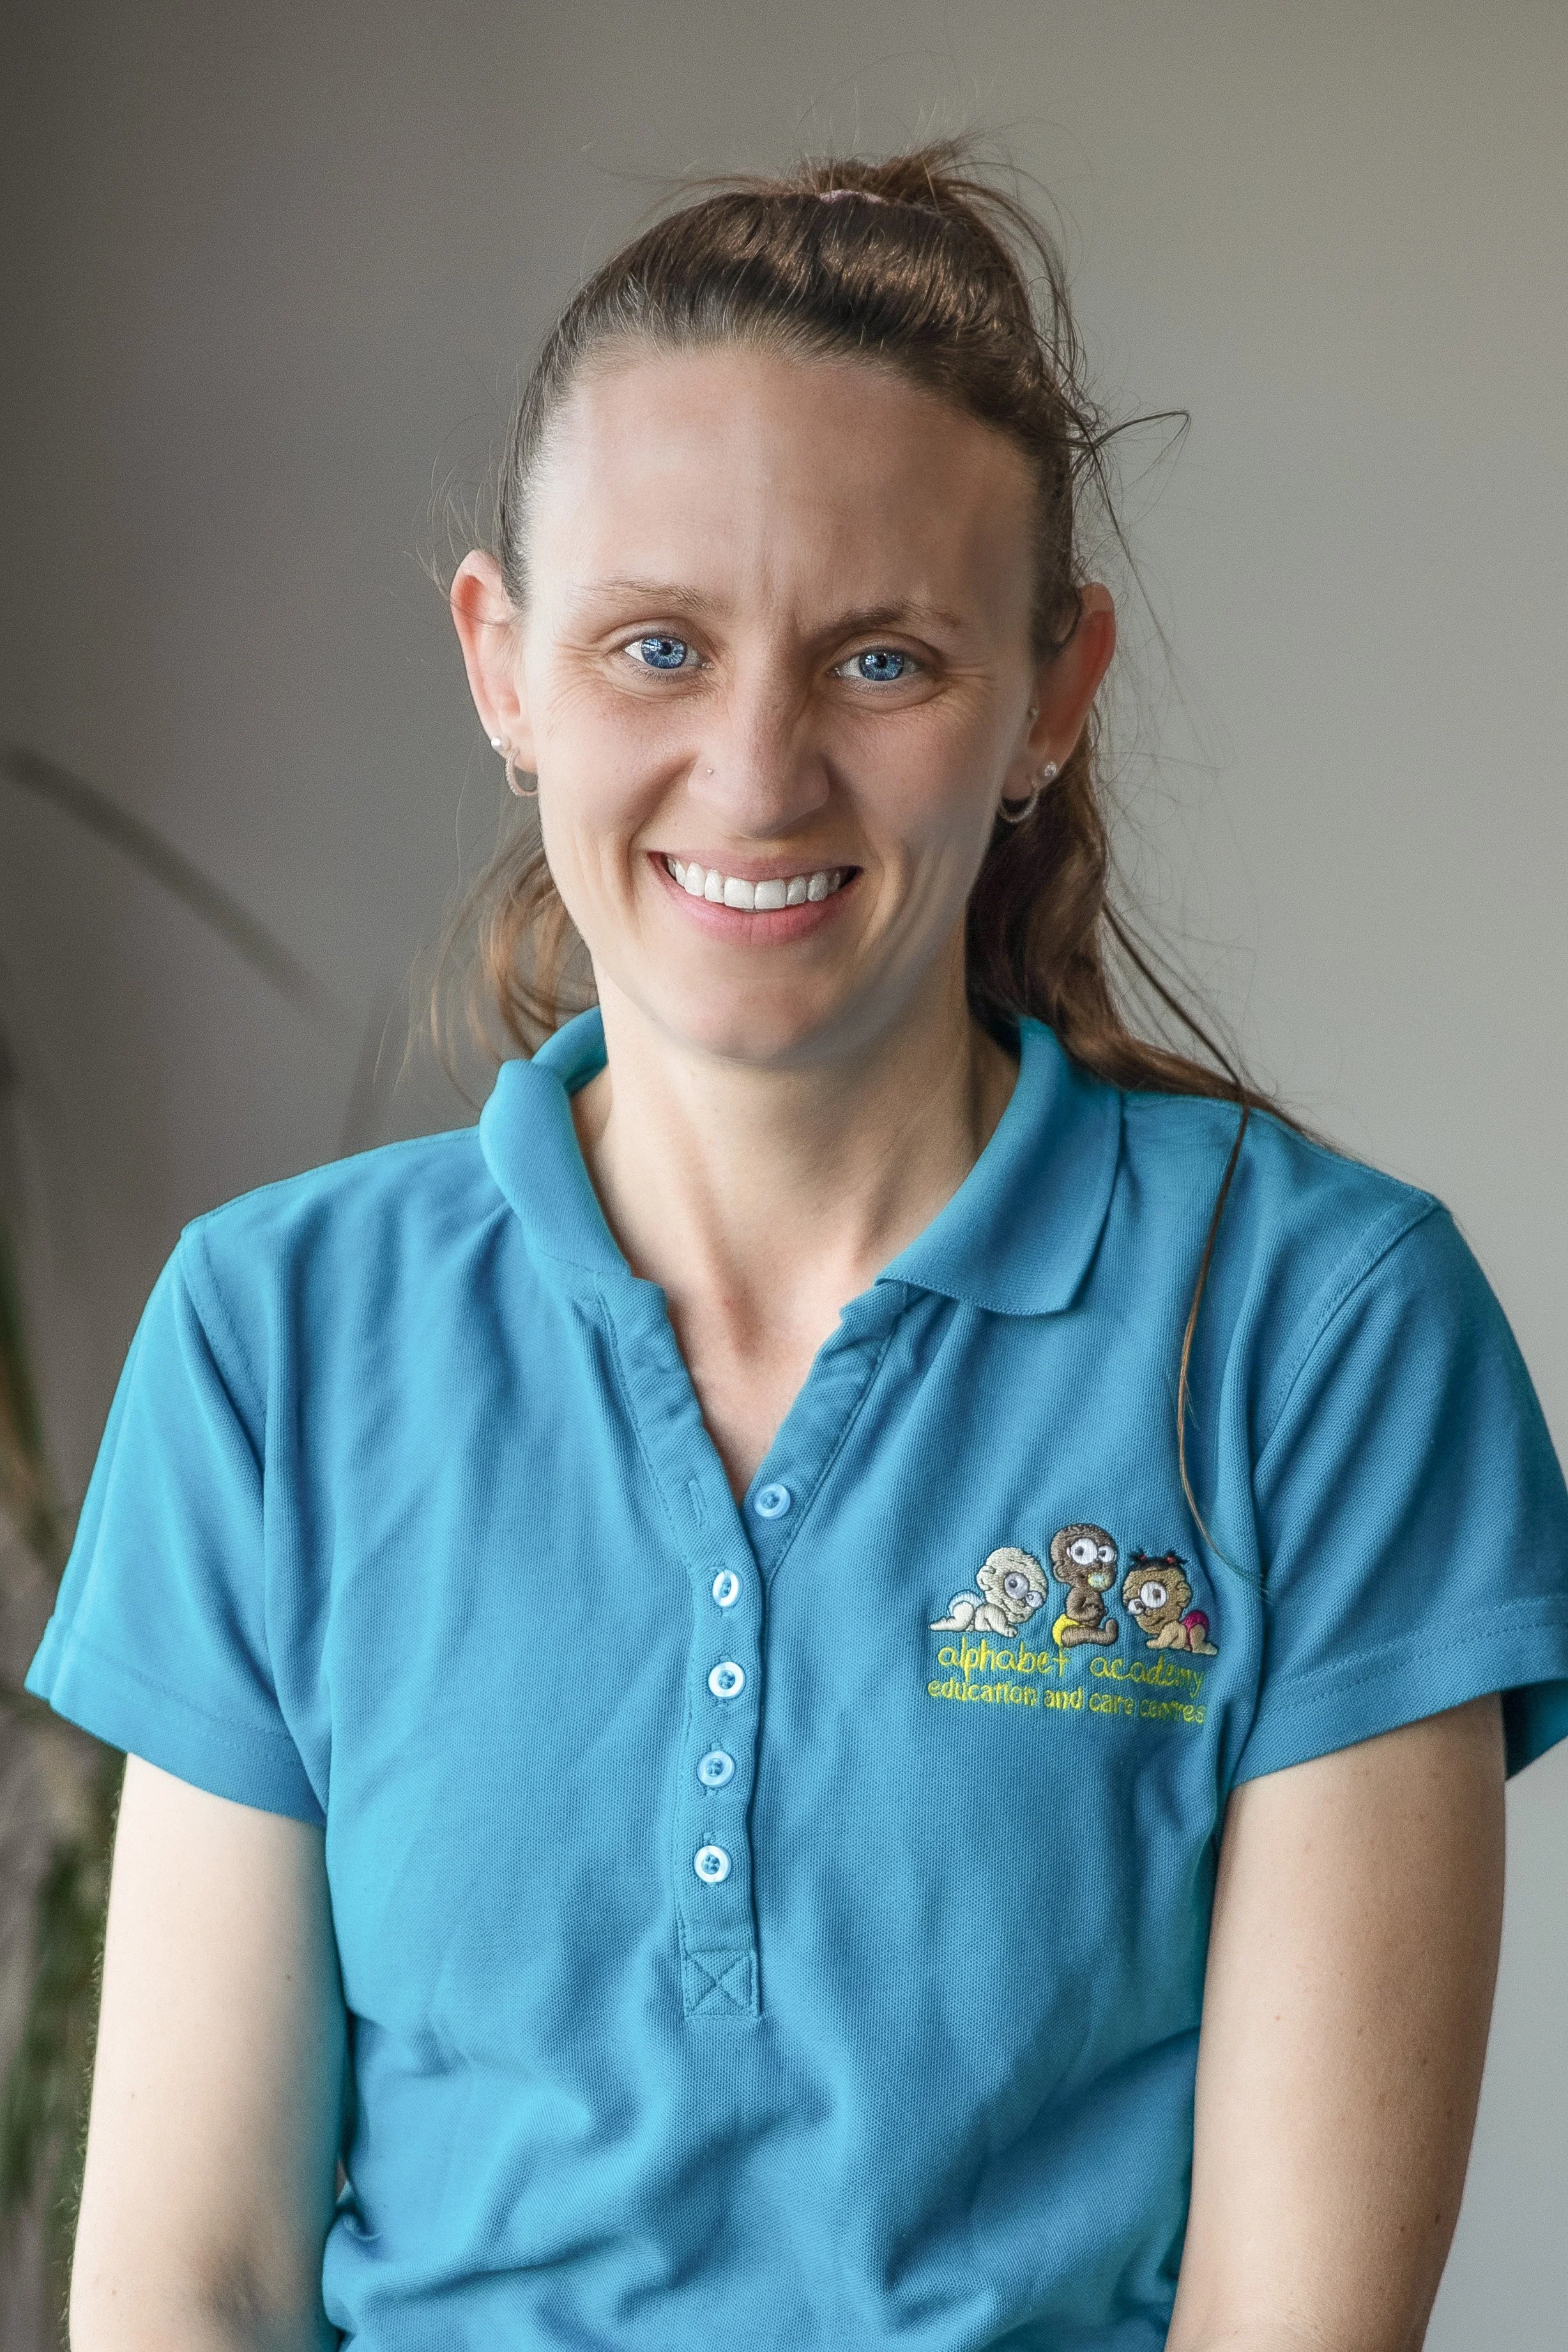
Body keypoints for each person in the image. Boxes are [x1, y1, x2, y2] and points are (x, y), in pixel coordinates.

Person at [28, 146, 1568, 2352]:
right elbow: (198, 2280)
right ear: (502, 663)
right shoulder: (276, 1338)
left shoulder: (1317, 1334)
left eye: (880, 658)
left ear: (1050, 697)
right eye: (655, 644)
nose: (755, 773)